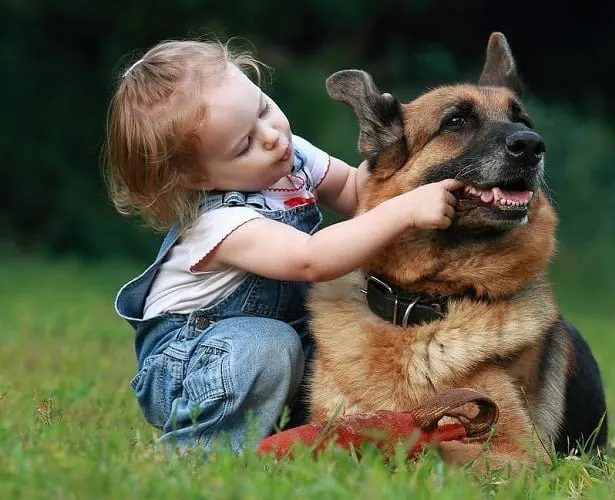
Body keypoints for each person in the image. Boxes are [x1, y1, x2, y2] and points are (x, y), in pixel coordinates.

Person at [104, 39, 462, 452]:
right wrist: (403, 211)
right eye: (244, 146)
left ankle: (316, 440)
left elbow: (352, 189)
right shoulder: (221, 224)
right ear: (199, 178)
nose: (272, 137)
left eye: (262, 109)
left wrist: (413, 169)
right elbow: (311, 261)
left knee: (347, 342)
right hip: (196, 363)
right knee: (266, 345)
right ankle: (196, 455)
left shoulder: (286, 156)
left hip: (283, 342)